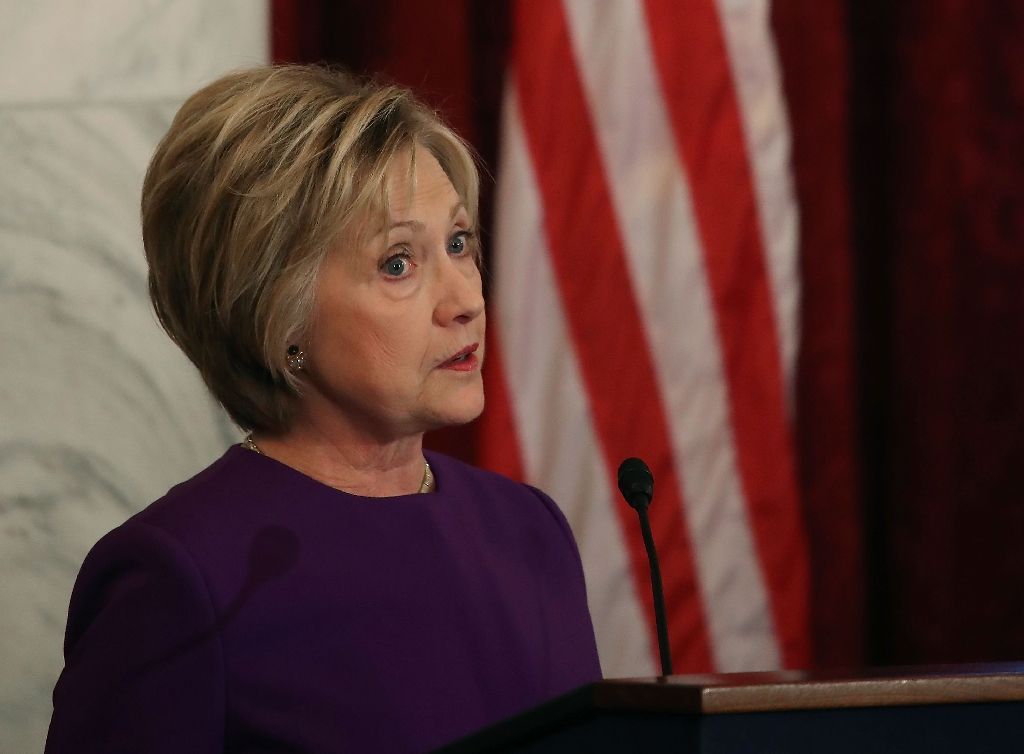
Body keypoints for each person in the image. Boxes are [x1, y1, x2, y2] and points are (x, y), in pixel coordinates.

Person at [45, 65, 601, 753]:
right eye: (399, 263)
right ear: (280, 315)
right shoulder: (182, 579)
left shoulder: (529, 533)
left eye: (459, 243)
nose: (464, 299)